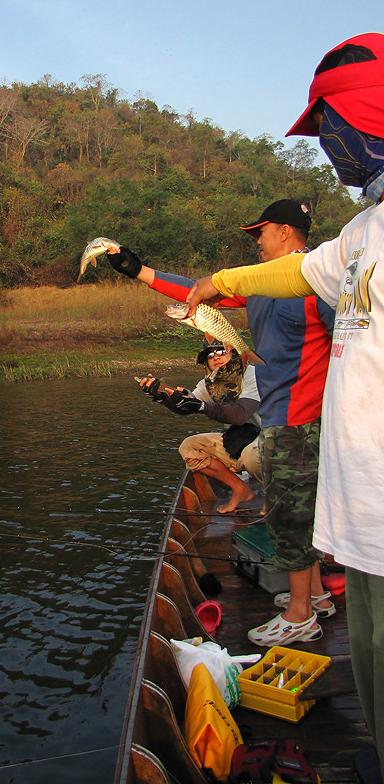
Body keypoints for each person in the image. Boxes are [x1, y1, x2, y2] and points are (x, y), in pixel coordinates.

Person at [184, 32, 384, 770]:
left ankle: (302, 610)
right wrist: (221, 281)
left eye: (330, 126)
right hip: (363, 522)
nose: (326, 146)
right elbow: (298, 273)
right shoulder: (361, 232)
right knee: (369, 662)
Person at [108, 199, 335, 646]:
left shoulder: (319, 282)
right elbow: (196, 292)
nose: (257, 241)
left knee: (287, 517)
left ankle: (299, 614)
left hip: (302, 418)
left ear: (286, 232)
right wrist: (139, 271)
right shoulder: (261, 285)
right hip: (278, 417)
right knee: (296, 512)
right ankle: (320, 596)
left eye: (262, 232)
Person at [138, 336, 262, 513]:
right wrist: (162, 397)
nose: (216, 357)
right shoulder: (209, 383)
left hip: (271, 442)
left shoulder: (253, 376)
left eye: (221, 351)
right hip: (239, 440)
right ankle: (241, 489)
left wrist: (202, 406)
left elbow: (240, 415)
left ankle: (274, 495)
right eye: (210, 355)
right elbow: (188, 404)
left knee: (252, 456)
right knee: (190, 448)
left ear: (234, 354)